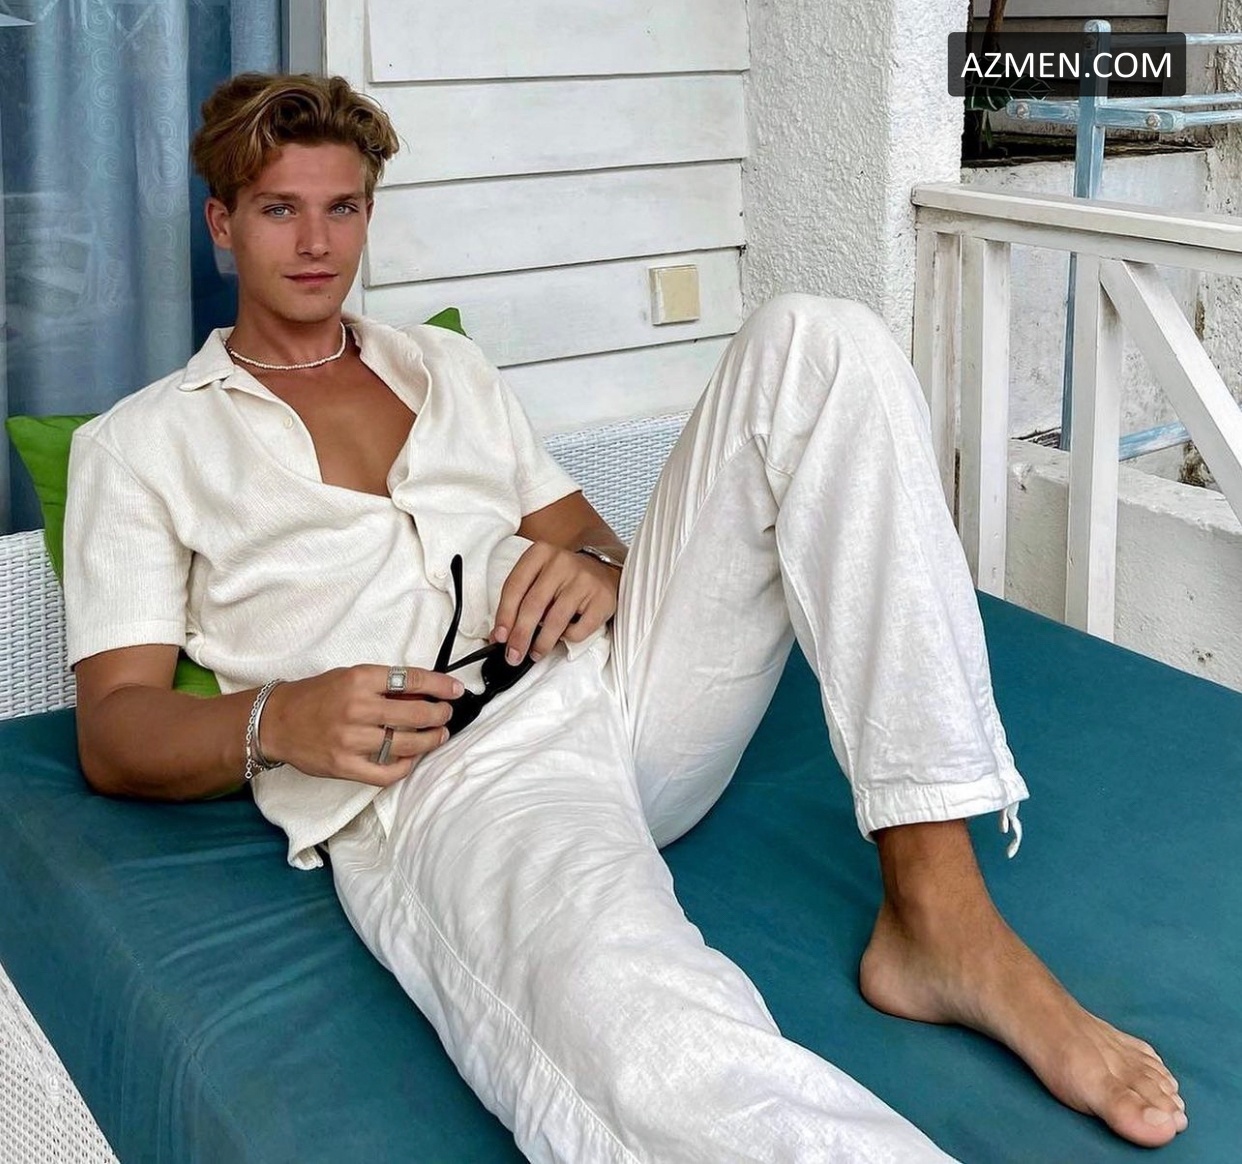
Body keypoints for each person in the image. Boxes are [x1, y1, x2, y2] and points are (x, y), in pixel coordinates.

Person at [63, 72, 1187, 1162]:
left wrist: (600, 572)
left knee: (819, 339)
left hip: (618, 680)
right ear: (222, 224)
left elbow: (589, 539)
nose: (317, 243)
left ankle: (940, 911)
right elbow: (115, 729)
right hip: (449, 768)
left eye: (343, 208)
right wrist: (277, 720)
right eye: (279, 211)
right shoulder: (142, 444)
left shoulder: (444, 365)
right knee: (650, 1036)